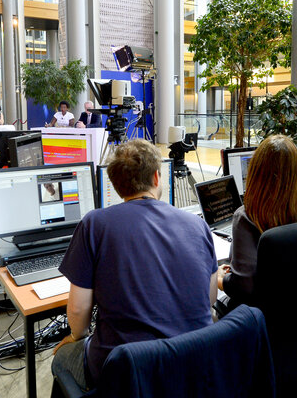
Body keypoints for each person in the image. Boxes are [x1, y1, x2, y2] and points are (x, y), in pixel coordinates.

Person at [52, 139, 217, 390]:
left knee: (60, 358)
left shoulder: (94, 224)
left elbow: (77, 313)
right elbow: (210, 298)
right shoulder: (197, 225)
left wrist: (76, 337)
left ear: (117, 186)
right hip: (193, 365)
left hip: (126, 372)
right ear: (156, 177)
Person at [217, 135, 297, 306]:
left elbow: (243, 288)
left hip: (258, 317)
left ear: (255, 171)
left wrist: (219, 280)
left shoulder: (246, 216)